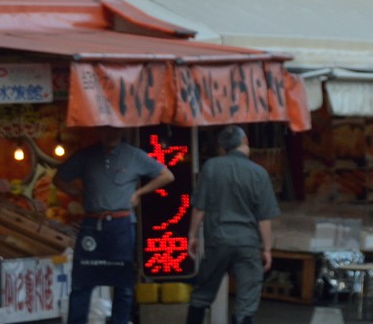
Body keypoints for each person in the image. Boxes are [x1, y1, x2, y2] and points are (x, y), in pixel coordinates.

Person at [56, 126, 174, 324]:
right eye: (106, 131)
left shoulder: (134, 155)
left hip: (122, 223)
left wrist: (138, 193)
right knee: (82, 281)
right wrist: (77, 193)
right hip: (92, 223)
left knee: (123, 284)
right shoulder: (86, 155)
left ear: (122, 133)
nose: (110, 135)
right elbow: (59, 178)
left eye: (115, 131)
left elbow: (167, 175)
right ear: (99, 132)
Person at [186, 126, 280, 324]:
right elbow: (264, 218)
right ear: (245, 141)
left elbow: (199, 207)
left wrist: (192, 235)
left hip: (217, 240)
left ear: (222, 147)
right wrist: (267, 249)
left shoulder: (211, 167)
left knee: (202, 294)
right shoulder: (259, 173)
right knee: (246, 300)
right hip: (247, 244)